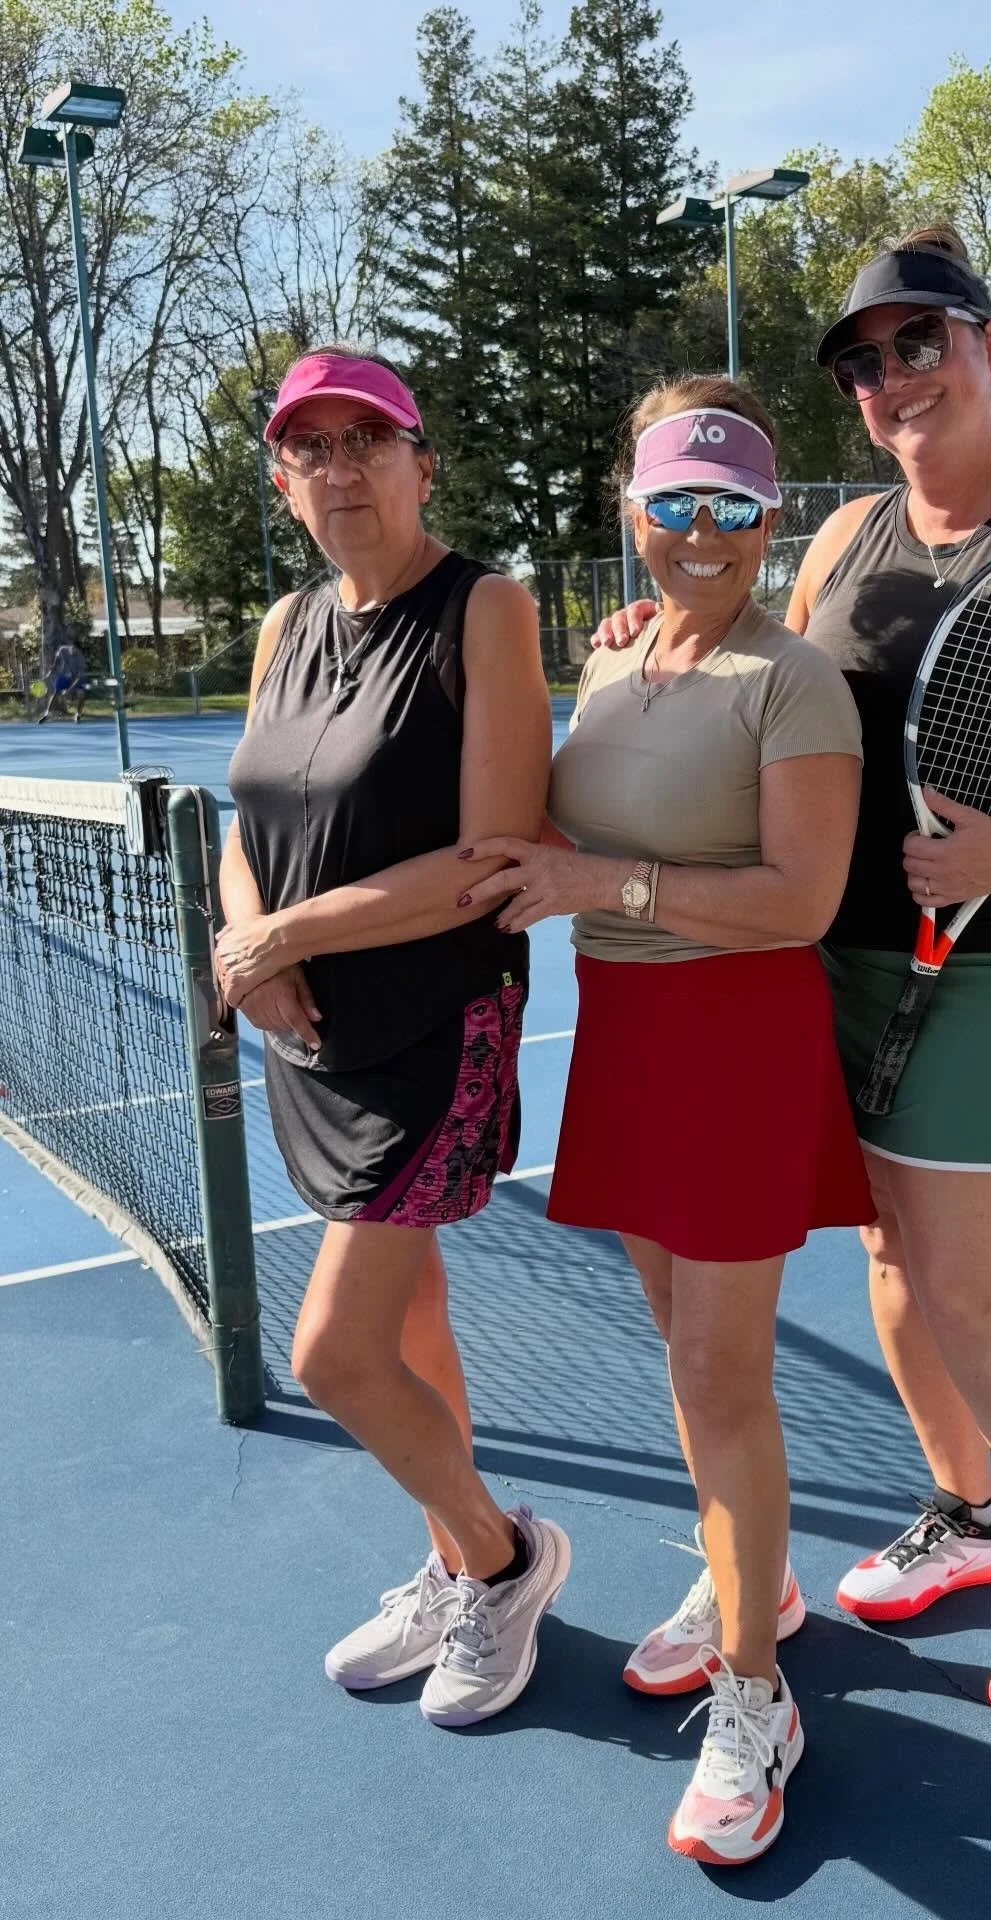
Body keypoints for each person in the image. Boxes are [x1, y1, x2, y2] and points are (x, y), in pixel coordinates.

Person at [592, 230, 991, 1721]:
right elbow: (776, 686)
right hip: (845, 957)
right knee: (887, 1267)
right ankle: (972, 1512)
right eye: (863, 362)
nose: (891, 378)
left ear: (988, 345)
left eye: (918, 342)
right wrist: (664, 628)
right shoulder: (845, 537)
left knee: (966, 1286)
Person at [455, 376, 872, 1863]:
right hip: (626, 1041)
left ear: (770, 521)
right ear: (633, 516)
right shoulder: (617, 663)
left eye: (735, 509)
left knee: (719, 1371)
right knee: (685, 1363)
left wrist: (601, 889)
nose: (704, 534)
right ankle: (745, 1577)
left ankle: (760, 1698)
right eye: (676, 506)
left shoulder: (795, 678)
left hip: (741, 1041)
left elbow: (801, 903)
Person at [215, 345, 568, 1729]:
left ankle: (503, 1560)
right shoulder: (284, 624)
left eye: (371, 440)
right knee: (411, 1324)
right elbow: (247, 834)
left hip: (436, 1029)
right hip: (308, 1035)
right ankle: (449, 1557)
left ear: (423, 461)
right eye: (314, 446)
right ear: (284, 474)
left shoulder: (484, 609)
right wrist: (249, 950)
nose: (343, 468)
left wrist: (284, 941)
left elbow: (493, 860)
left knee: (336, 1358)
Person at [38, 638, 88, 723]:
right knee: (55, 693)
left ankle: (78, 714)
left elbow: (78, 678)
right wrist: (49, 673)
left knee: (81, 693)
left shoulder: (81, 660)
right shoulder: (62, 650)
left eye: (75, 650)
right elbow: (55, 663)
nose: (72, 651)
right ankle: (47, 714)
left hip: (75, 678)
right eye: (71, 648)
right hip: (64, 675)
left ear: (79, 651)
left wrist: (68, 691)